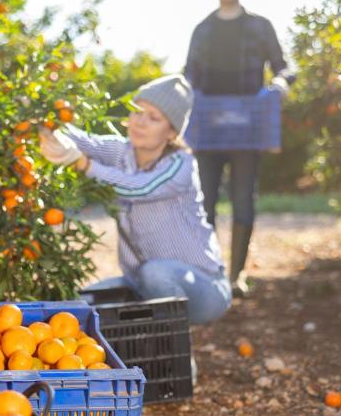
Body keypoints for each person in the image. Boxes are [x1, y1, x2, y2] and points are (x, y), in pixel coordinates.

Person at [39, 75, 231, 325]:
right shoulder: (121, 152)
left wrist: (84, 164)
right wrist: (44, 123)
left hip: (204, 289)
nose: (140, 122)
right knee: (82, 303)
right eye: (137, 112)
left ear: (171, 132)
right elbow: (82, 140)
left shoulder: (180, 164)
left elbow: (140, 188)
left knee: (156, 273)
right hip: (141, 284)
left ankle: (180, 355)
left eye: (154, 118)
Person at [184, 0, 295, 297]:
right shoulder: (203, 30)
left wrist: (280, 82)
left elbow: (284, 66)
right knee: (205, 206)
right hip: (209, 130)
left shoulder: (259, 26)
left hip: (248, 128)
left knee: (244, 202)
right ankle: (212, 273)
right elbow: (188, 73)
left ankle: (236, 276)